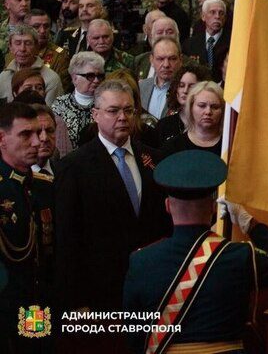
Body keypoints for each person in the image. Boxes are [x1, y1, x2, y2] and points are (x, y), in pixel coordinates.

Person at [123, 151, 268, 353]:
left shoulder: (141, 261)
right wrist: (251, 225)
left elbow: (134, 332)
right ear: (214, 207)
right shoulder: (240, 256)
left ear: (168, 206)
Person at [55, 79, 171, 313]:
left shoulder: (154, 159)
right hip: (101, 288)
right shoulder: (74, 166)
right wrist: (77, 299)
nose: (122, 117)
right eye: (113, 110)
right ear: (95, 114)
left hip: (152, 285)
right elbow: (68, 237)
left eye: (128, 110)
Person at [0, 102, 54, 352]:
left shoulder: (45, 186)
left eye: (39, 133)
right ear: (2, 139)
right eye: (26, 134)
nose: (37, 142)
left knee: (36, 348)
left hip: (36, 304)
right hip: (4, 308)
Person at [51, 51, 105, 149]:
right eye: (90, 76)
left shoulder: (106, 104)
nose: (96, 80)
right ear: (74, 78)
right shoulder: (59, 104)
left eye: (99, 76)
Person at [156, 63, 213, 146]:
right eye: (181, 85)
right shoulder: (164, 125)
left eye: (191, 86)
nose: (185, 91)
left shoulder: (207, 123)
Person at [162, 81, 224, 156]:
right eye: (202, 105)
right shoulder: (173, 147)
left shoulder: (230, 147)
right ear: (191, 108)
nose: (208, 112)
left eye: (215, 107)